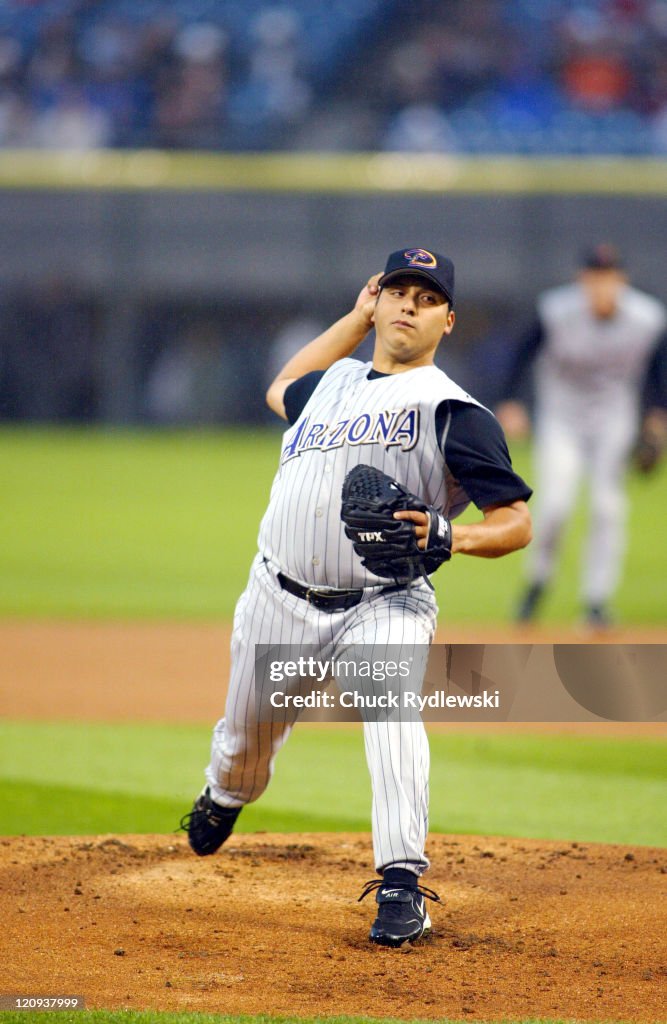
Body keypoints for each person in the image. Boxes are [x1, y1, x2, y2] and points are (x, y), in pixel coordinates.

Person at [181, 247, 532, 947]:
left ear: (447, 320)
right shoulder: (329, 384)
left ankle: (402, 885)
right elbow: (281, 383)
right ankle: (225, 793)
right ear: (376, 302)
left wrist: (449, 536)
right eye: (397, 291)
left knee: (393, 717)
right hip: (276, 596)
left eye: (425, 297)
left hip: (385, 602)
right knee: (244, 747)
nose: (407, 304)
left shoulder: (452, 412)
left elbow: (515, 521)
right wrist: (351, 317)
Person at [496, 244, 667, 628]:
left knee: (608, 508)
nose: (601, 284)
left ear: (621, 280)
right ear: (582, 280)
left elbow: (658, 370)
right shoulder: (556, 311)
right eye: (594, 277)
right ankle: (538, 582)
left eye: (609, 277)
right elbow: (521, 354)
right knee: (555, 506)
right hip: (562, 417)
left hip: (613, 418)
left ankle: (596, 602)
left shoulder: (647, 318)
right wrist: (510, 400)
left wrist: (657, 417)